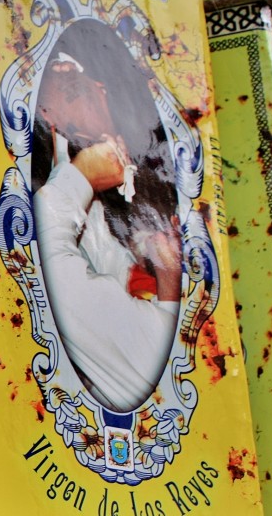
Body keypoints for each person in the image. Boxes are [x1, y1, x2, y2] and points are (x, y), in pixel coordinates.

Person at [33, 49, 182, 413]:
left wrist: (80, 178)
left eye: (79, 85)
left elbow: (44, 261)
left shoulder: (144, 345)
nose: (98, 87)